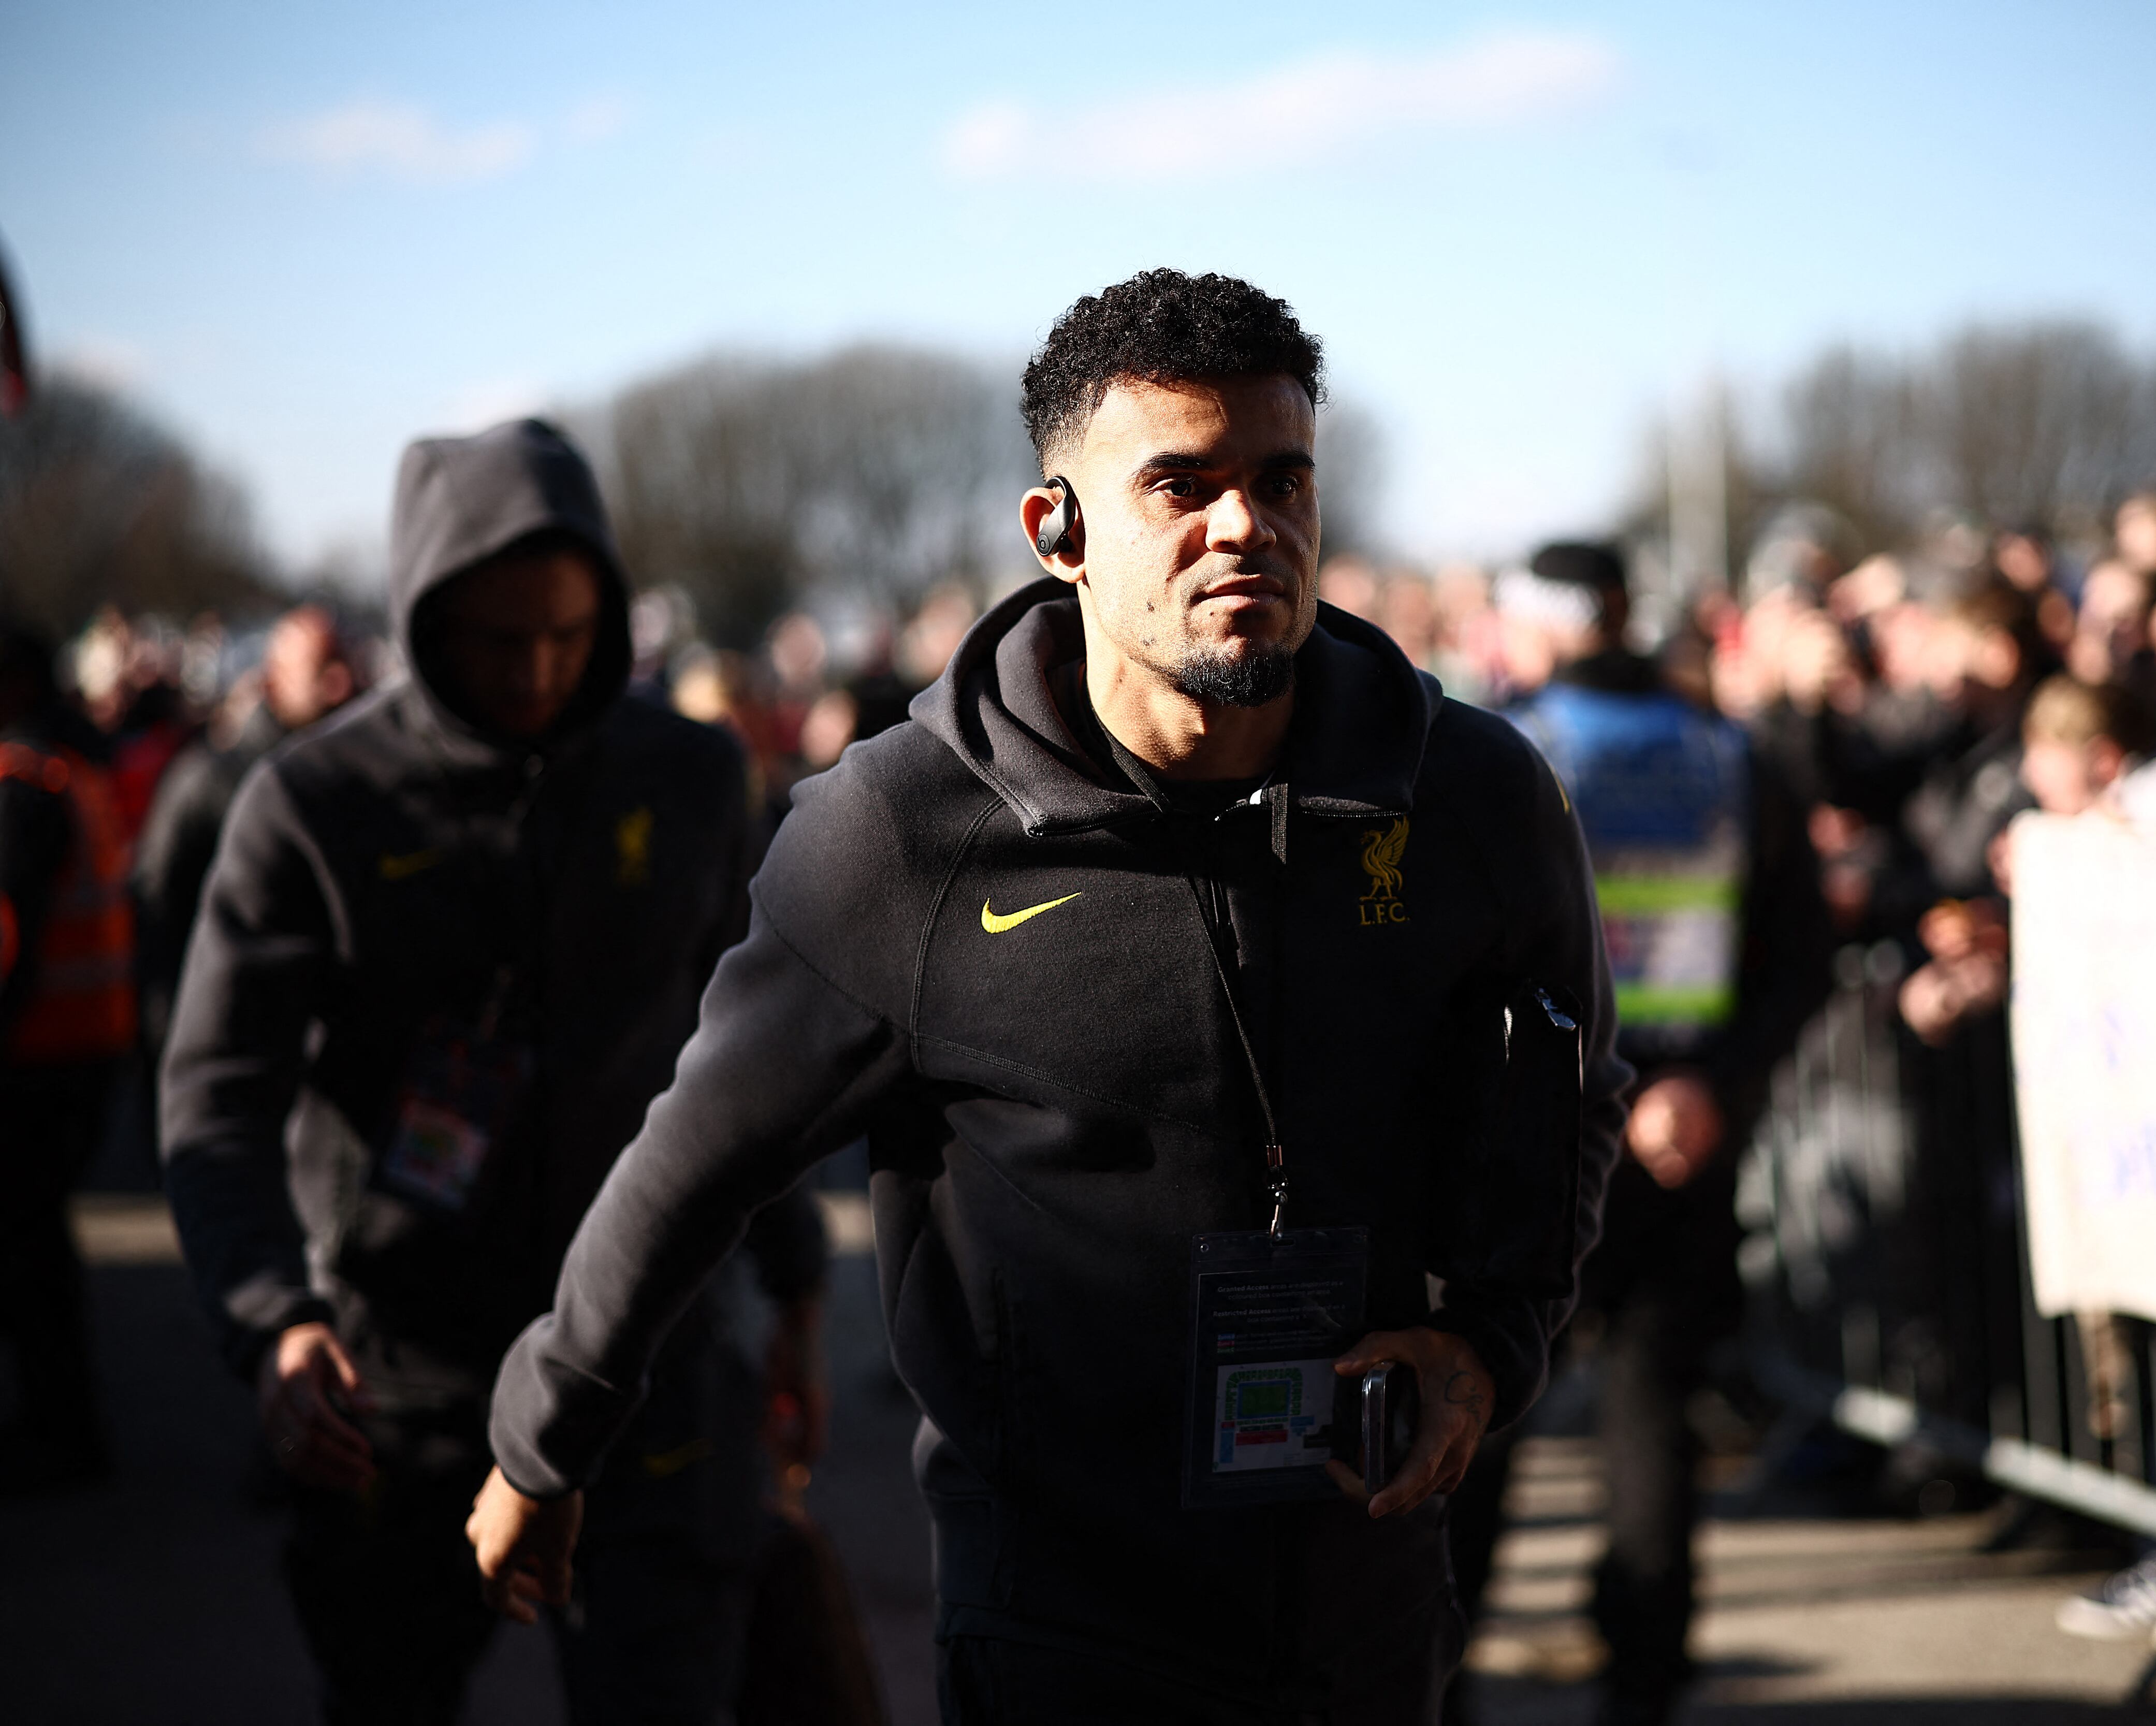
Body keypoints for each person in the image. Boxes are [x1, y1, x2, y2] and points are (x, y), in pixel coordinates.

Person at [467, 270, 1628, 1724]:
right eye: (1180, 483)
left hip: (1368, 1598)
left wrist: (1491, 1347)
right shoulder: (898, 835)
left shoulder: (1470, 795)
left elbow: (1576, 1092)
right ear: (1059, 529)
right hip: (1062, 1625)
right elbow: (695, 1161)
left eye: (1281, 479)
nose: (1243, 526)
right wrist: (545, 1436)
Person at [159, 419, 828, 1726]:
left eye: (569, 635)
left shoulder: (688, 777)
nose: (535, 669)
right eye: (496, 638)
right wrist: (271, 1320)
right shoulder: (311, 806)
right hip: (399, 1389)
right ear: (422, 620)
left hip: (653, 1367)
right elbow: (216, 1097)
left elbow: (755, 1067)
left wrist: (794, 1290)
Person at [1449, 543, 1829, 1724]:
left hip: (1528, 1140)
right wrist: (1709, 1083)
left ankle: (1438, 1674)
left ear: (1551, 624)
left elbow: (1448, 964)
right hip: (1681, 1136)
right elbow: (1797, 956)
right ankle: (1647, 1679)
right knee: (1650, 1412)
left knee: (1482, 1407)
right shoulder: (1733, 756)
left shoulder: (1493, 753)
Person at [0, 621, 135, 1492]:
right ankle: (63, 1424)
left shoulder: (16, 786)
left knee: (29, 1254)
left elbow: (9, 940)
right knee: (39, 1247)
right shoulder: (68, 770)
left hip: (36, 1061)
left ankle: (62, 1433)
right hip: (86, 1051)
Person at [131, 605, 361, 1058]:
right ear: (274, 680)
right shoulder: (208, 782)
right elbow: (157, 904)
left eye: (345, 663)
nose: (342, 684)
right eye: (322, 668)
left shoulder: (357, 782)